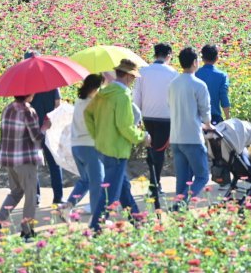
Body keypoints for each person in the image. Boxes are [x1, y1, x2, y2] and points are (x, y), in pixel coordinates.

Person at [86, 59, 145, 230]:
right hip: (117, 149)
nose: (133, 80)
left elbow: (88, 114)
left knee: (123, 188)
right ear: (127, 76)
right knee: (110, 194)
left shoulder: (103, 93)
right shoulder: (123, 95)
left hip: (103, 146)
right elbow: (124, 126)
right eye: (133, 77)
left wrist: (97, 135)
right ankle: (95, 227)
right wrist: (141, 137)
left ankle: (137, 221)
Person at [0, 93, 48, 240]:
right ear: (28, 94)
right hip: (25, 159)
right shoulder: (28, 111)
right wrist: (45, 128)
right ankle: (27, 231)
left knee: (16, 192)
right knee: (30, 195)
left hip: (9, 158)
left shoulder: (7, 109)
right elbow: (36, 138)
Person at [134, 44, 178, 210]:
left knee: (152, 149)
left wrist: (137, 118)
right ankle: (154, 185)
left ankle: (154, 182)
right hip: (165, 117)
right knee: (159, 151)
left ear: (155, 54)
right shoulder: (173, 73)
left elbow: (136, 96)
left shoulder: (143, 71)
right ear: (169, 55)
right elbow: (175, 97)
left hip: (147, 117)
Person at [169, 47, 213, 209]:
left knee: (182, 179)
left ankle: (178, 208)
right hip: (193, 137)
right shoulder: (199, 85)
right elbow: (205, 111)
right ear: (195, 62)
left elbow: (169, 106)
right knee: (202, 176)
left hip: (176, 137)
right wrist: (208, 124)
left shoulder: (173, 84)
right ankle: (181, 204)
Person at [62, 74, 104, 213]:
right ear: (96, 88)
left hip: (76, 146)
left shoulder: (79, 101)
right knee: (98, 182)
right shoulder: (94, 104)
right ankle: (97, 214)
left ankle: (67, 207)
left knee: (85, 180)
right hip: (90, 147)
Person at [26, 57, 64, 206]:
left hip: (32, 128)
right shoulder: (52, 81)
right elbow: (58, 104)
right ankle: (58, 197)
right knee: (54, 164)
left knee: (32, 164)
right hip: (50, 126)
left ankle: (35, 196)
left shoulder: (25, 83)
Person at [194, 45, 231, 124]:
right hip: (214, 117)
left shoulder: (195, 74)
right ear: (217, 58)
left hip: (196, 118)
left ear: (202, 58)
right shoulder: (222, 76)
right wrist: (228, 118)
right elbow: (223, 97)